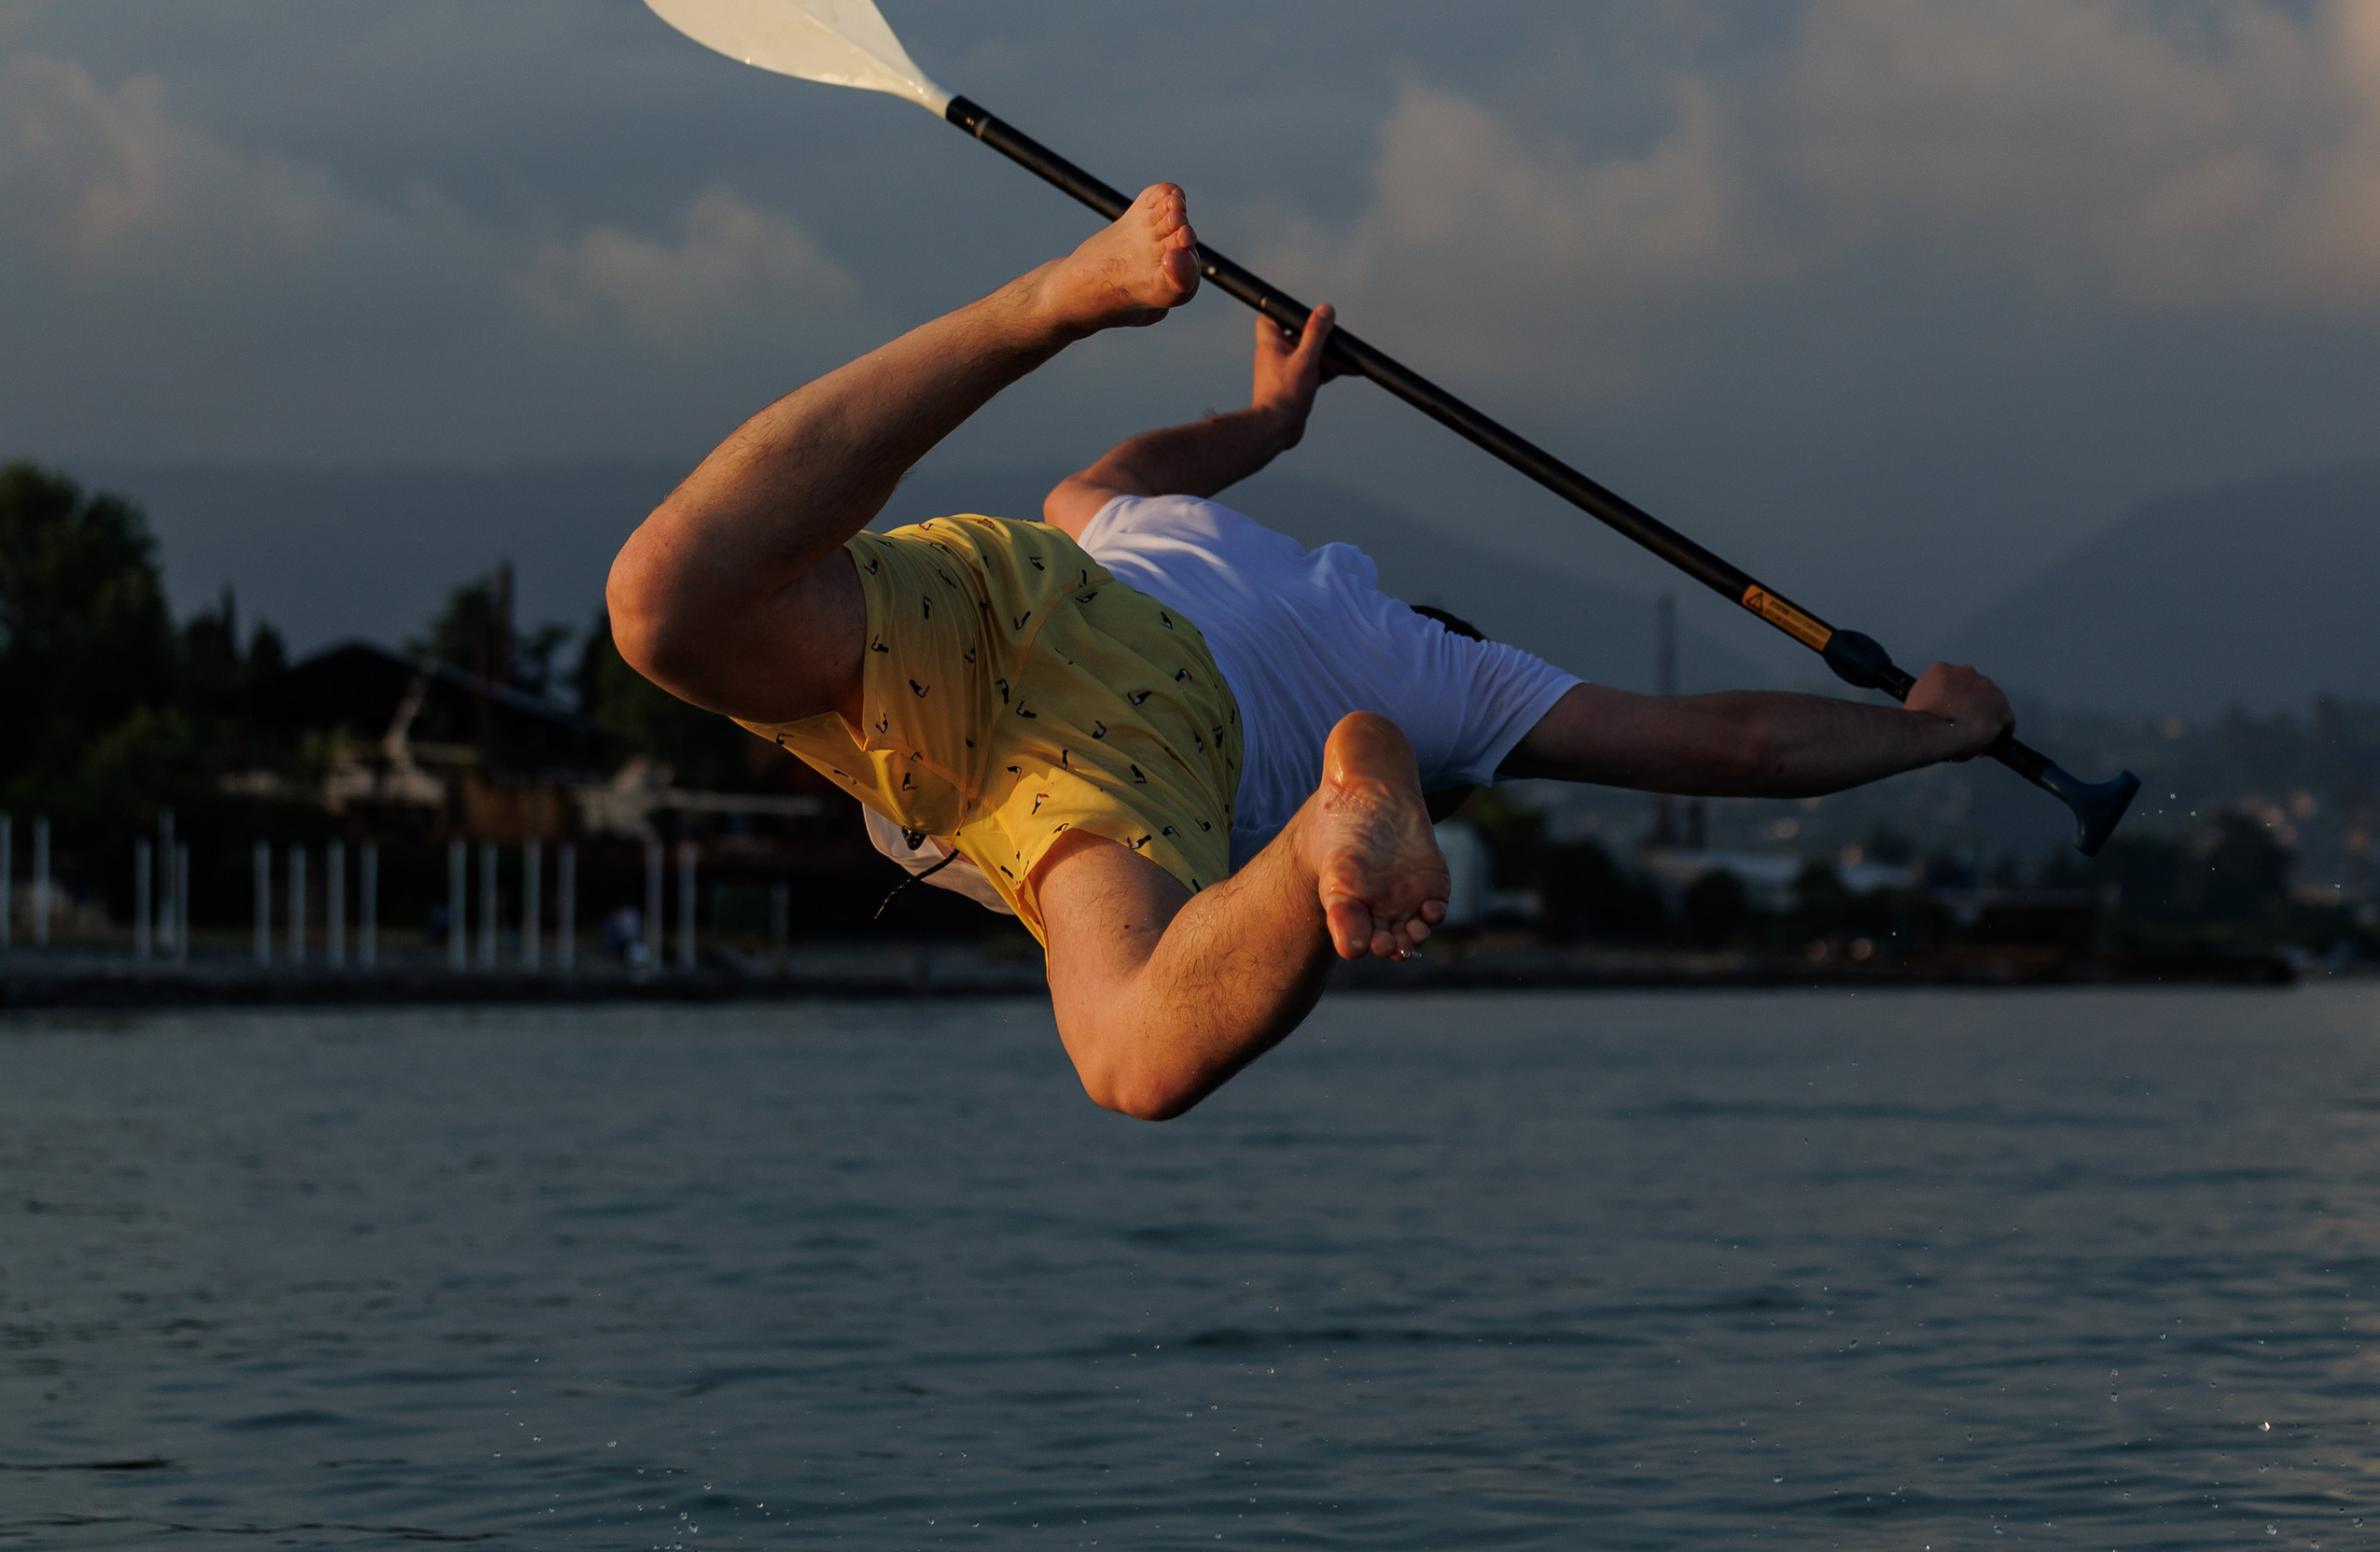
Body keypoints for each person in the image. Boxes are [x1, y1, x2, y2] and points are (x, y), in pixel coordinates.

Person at [607, 186, 2012, 1123]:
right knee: (1131, 1058)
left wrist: (1272, 421)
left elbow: (1122, 467)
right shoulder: (1444, 679)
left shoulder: (1181, 524)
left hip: (1022, 591)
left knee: (668, 601)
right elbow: (1736, 747)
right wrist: (1930, 734)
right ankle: (1327, 819)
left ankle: (1046, 303)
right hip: (1137, 734)